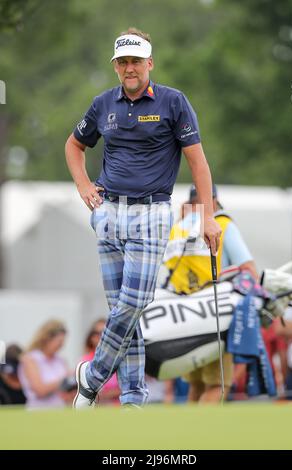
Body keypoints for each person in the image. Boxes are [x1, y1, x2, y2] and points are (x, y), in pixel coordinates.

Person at [65, 27, 221, 409]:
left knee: (135, 303)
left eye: (136, 61)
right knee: (123, 311)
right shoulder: (103, 104)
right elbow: (74, 145)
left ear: (149, 63)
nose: (129, 68)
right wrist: (85, 186)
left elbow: (198, 163)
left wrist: (207, 216)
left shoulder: (173, 102)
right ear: (116, 67)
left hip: (151, 213)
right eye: (123, 62)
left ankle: (93, 374)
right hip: (107, 214)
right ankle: (133, 400)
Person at [163, 184, 258, 402]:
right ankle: (201, 434)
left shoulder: (177, 229)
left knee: (196, 384)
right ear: (213, 201)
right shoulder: (221, 224)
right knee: (218, 383)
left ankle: (190, 434)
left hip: (184, 316)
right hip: (215, 313)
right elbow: (249, 270)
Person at [18, 320, 73, 409]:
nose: (62, 345)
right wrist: (64, 380)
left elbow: (66, 392)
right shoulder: (30, 359)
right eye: (59, 341)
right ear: (47, 338)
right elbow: (40, 390)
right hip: (38, 412)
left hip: (60, 410)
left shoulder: (61, 361)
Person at [81, 319, 120, 405]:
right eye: (97, 333)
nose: (101, 336)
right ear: (91, 337)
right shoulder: (85, 361)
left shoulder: (119, 359)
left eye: (105, 332)